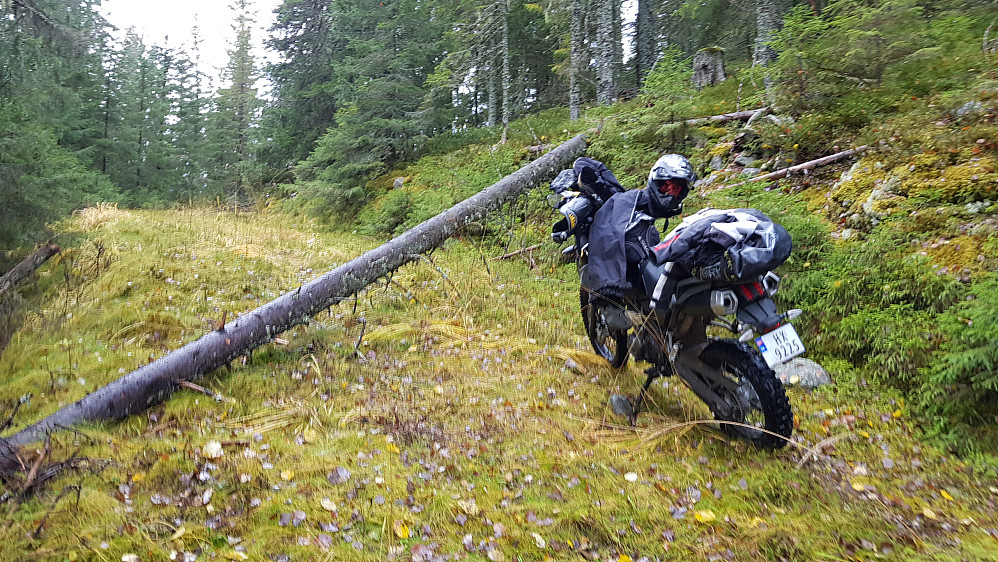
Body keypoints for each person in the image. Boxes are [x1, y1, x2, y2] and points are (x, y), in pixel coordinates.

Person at [586, 154, 697, 329]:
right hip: (620, 277)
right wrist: (609, 296)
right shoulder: (627, 201)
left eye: (677, 189)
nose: (672, 194)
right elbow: (609, 235)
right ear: (657, 183)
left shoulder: (642, 204)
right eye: (668, 186)